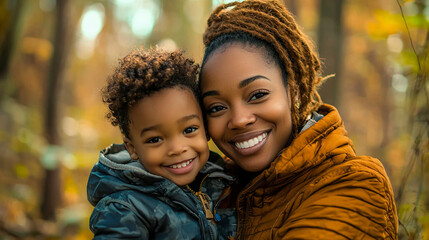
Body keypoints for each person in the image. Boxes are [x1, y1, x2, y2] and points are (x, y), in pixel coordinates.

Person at [198, 0, 398, 239]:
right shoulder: (214, 189)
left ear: (293, 89)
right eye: (217, 107)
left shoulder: (354, 182)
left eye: (258, 95)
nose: (239, 120)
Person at [87, 47, 236, 239]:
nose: (177, 148)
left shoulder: (224, 183)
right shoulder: (125, 209)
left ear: (205, 128)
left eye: (189, 130)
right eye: (155, 139)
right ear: (133, 148)